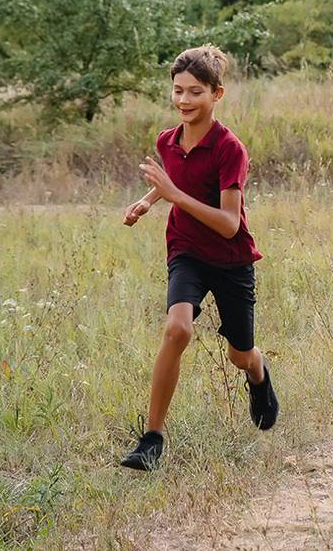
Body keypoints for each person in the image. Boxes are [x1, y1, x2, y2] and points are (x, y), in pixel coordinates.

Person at [119, 45, 278, 471]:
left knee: (238, 355)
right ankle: (152, 439)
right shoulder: (167, 141)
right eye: (178, 91)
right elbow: (175, 179)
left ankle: (258, 372)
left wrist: (170, 194)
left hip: (230, 258)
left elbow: (228, 223)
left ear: (217, 95)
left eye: (195, 92)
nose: (185, 101)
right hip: (186, 249)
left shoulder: (230, 149)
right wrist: (148, 201)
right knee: (177, 329)